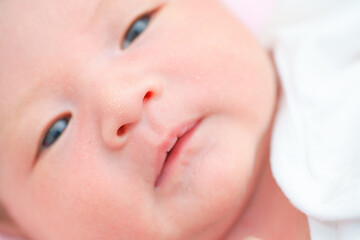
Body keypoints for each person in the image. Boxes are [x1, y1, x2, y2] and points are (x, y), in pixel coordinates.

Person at [0, 0, 356, 239]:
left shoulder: (338, 42)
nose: (122, 102)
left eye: (136, 28)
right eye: (54, 131)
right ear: (21, 230)